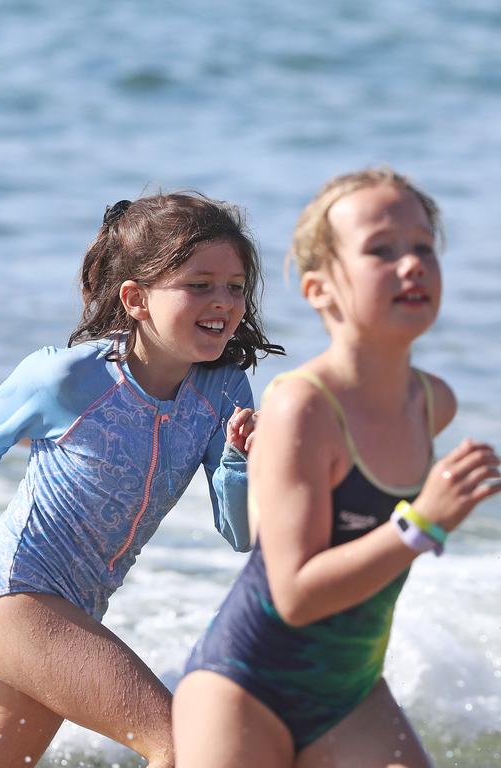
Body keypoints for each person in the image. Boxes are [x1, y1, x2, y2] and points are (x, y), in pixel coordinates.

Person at [0, 192, 283, 767]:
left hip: (77, 611)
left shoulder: (223, 390)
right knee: (182, 747)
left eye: (235, 286)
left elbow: (240, 532)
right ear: (136, 299)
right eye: (198, 284)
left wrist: (238, 460)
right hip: (17, 599)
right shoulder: (69, 376)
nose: (222, 302)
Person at [173, 168, 501, 767]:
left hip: (350, 696)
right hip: (245, 689)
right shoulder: (302, 406)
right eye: (381, 250)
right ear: (320, 289)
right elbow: (295, 594)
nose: (412, 265)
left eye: (424, 247)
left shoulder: (433, 403)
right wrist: (420, 523)